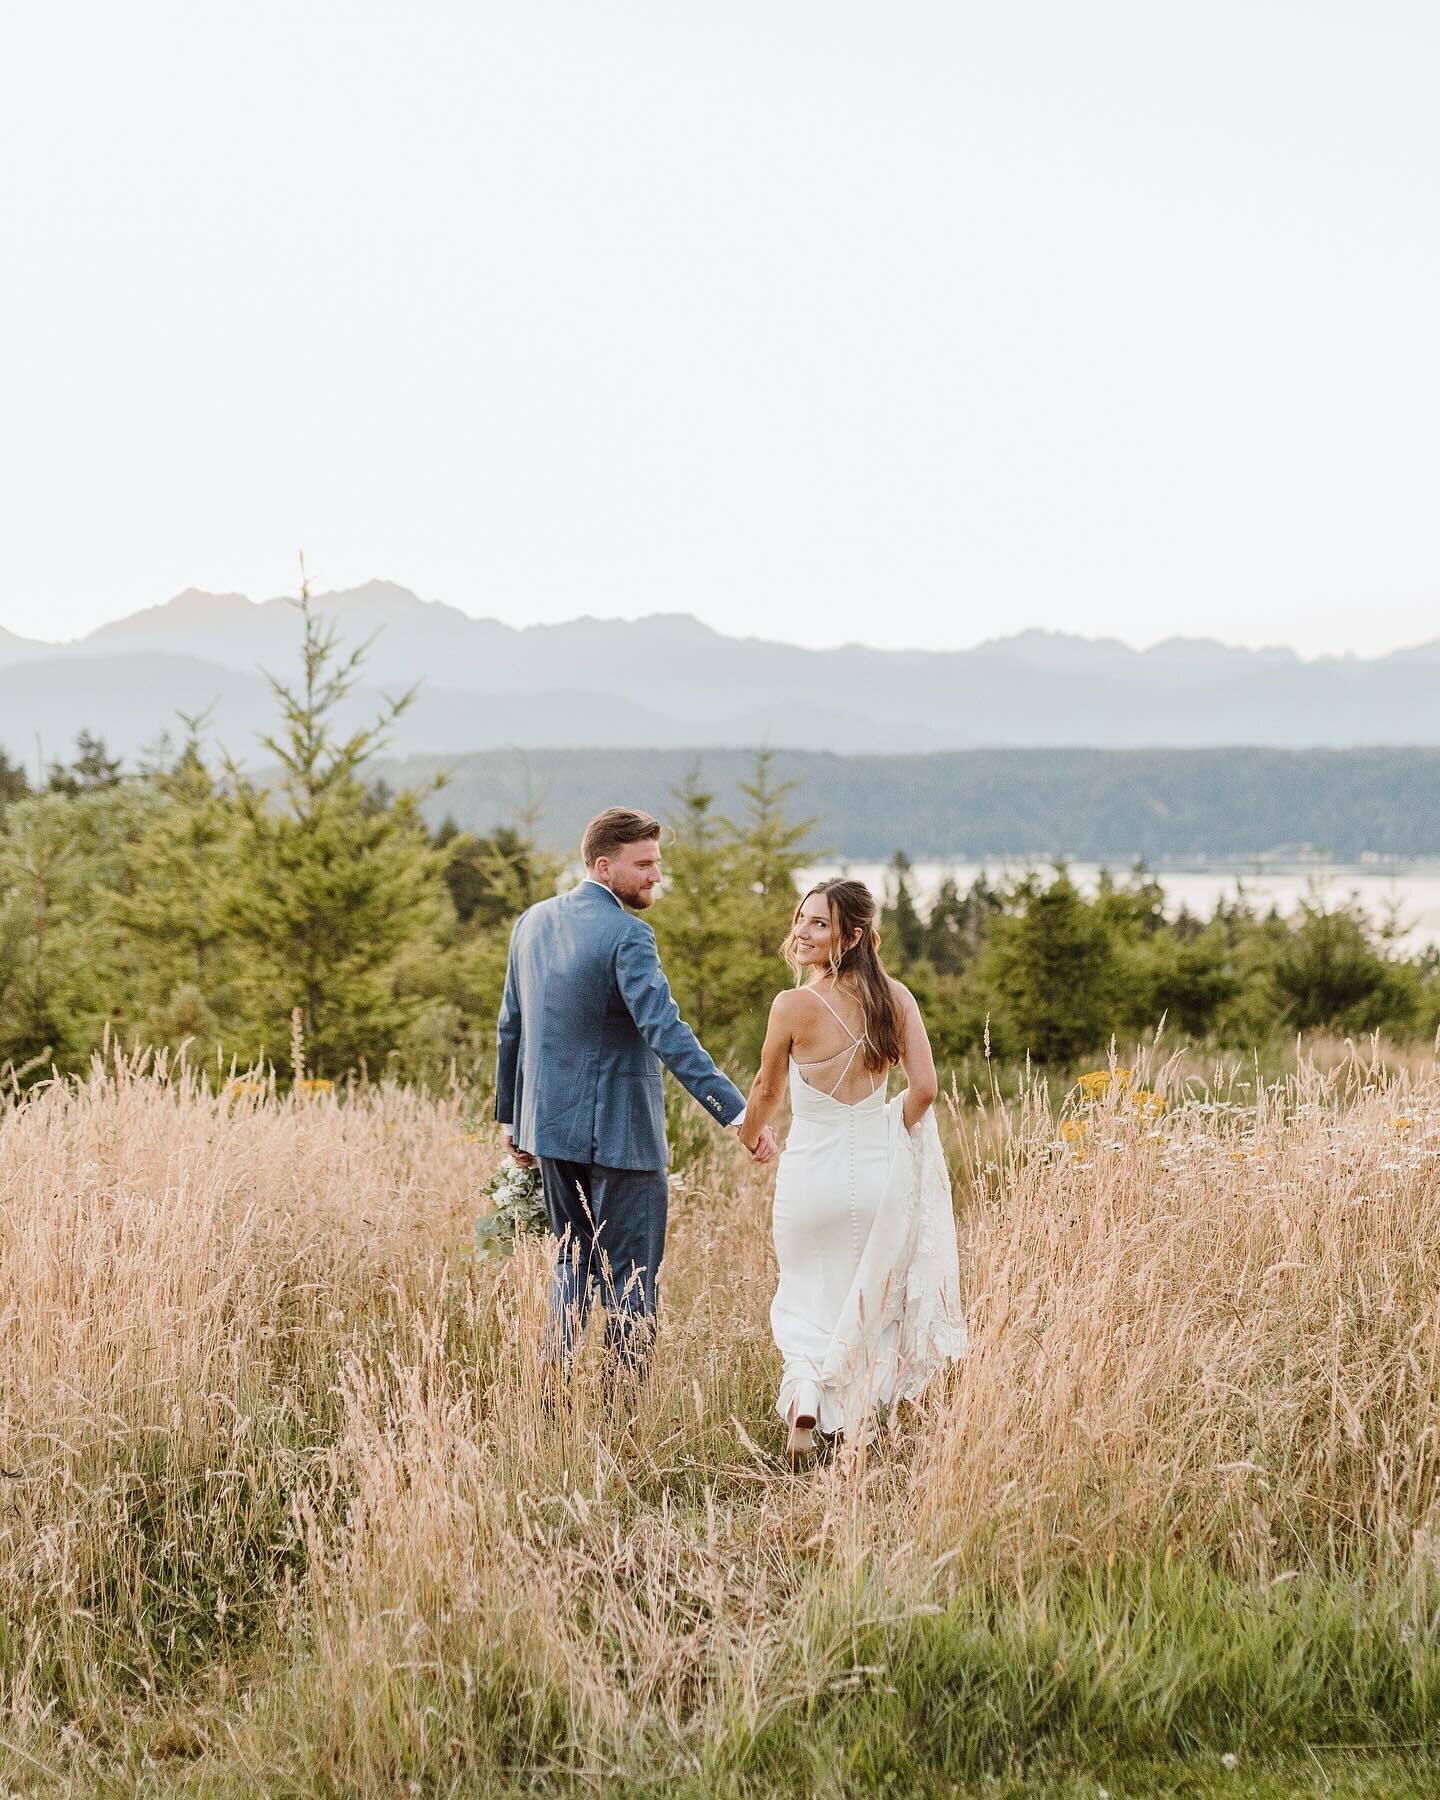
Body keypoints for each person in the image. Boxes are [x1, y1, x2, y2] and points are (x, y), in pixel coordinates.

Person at [496, 806, 777, 1373]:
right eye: (643, 864)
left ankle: (555, 1401)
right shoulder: (629, 935)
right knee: (633, 1279)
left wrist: (513, 1120)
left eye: (657, 862)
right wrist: (738, 1114)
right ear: (604, 867)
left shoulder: (531, 922)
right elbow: (667, 1033)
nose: (655, 876)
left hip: (547, 1130)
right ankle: (621, 1415)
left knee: (571, 1265)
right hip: (622, 1134)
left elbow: (511, 1027)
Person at [738, 878, 966, 1457]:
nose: (802, 931)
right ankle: (855, 1422)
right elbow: (925, 1090)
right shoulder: (897, 999)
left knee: (804, 1292)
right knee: (864, 1299)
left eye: (819, 923)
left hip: (810, 1175)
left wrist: (749, 1132)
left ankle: (809, 1394)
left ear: (854, 935)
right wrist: (891, 1125)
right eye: (802, 919)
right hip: (876, 1175)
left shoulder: (791, 1006)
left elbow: (767, 1087)